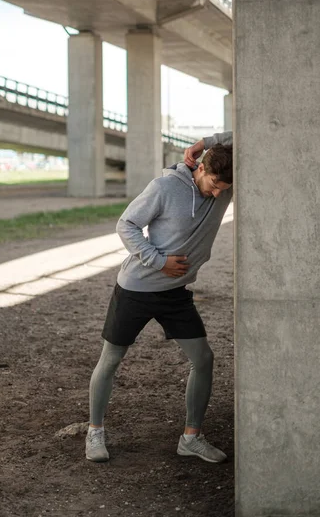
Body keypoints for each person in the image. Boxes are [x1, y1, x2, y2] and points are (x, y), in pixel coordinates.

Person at [86, 131, 233, 464]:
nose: (216, 193)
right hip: (136, 289)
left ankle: (191, 439)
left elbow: (246, 132)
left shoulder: (221, 185)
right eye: (213, 184)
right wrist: (158, 260)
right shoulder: (164, 188)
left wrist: (204, 141)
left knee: (204, 360)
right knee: (110, 360)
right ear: (202, 169)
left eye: (223, 191)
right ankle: (95, 432)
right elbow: (126, 225)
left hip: (174, 295)